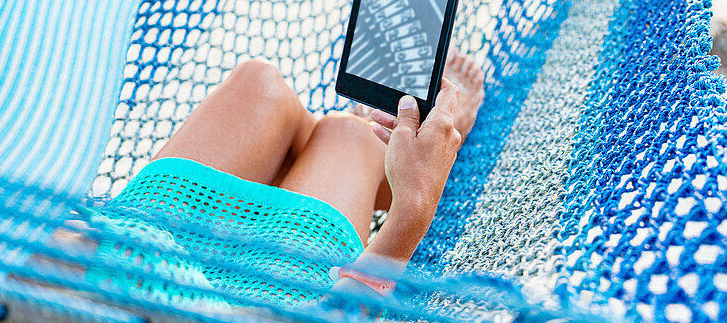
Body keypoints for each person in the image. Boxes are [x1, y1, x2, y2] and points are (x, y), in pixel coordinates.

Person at [81, 51, 485, 304]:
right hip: (258, 304)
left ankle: (326, 148)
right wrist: (415, 208)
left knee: (260, 82)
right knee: (349, 136)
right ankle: (378, 151)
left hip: (126, 252)